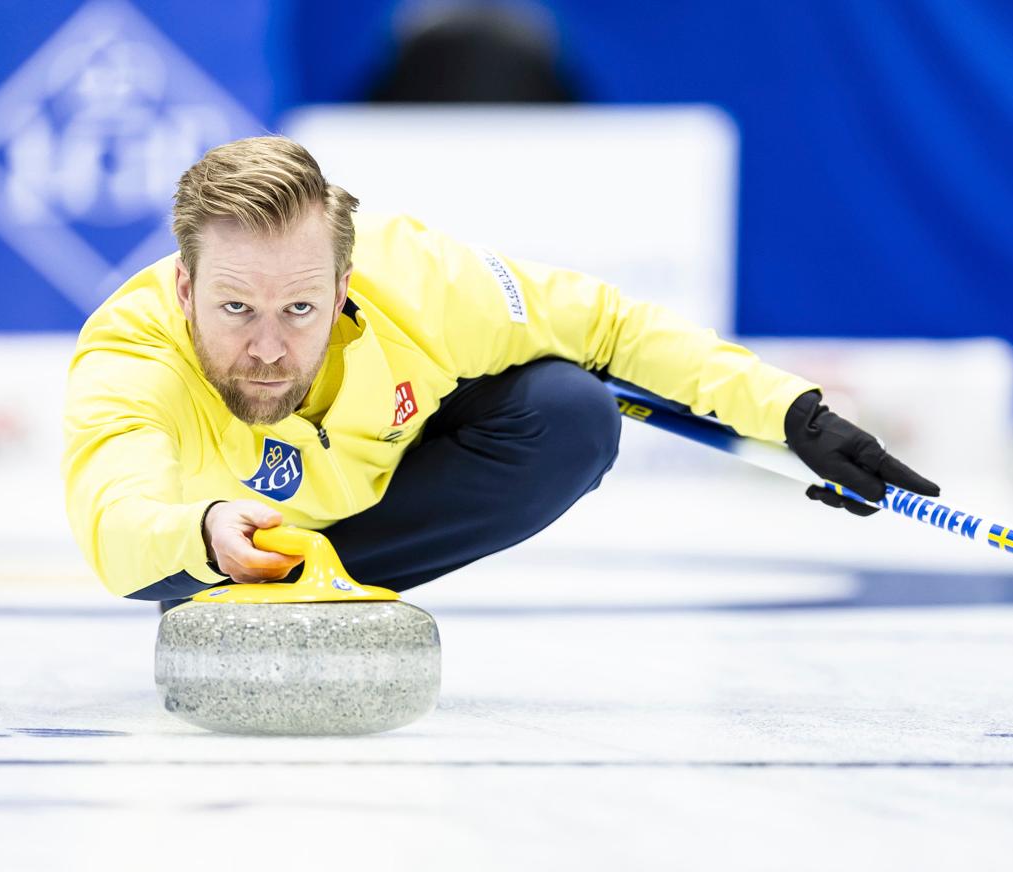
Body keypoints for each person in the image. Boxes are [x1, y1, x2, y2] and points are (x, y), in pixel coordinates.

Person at [62, 136, 939, 606]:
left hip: (367, 509)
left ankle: (321, 592)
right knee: (164, 550)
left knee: (571, 408)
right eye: (234, 309)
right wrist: (204, 529)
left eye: (299, 310)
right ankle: (252, 585)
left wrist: (790, 413)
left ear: (344, 285)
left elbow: (609, 325)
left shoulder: (420, 280)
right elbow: (115, 518)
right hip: (212, 550)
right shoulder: (133, 350)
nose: (265, 349)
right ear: (183, 287)